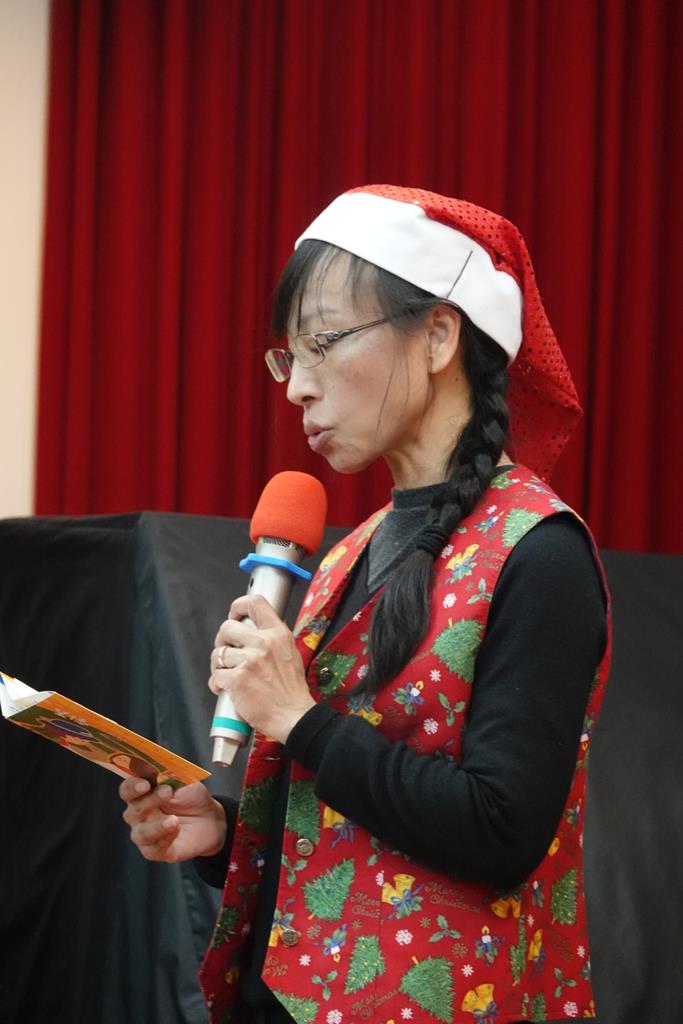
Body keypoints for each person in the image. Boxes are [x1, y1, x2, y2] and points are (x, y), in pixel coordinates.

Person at [120, 185, 609, 1024]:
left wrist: (297, 717)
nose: (296, 389)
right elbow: (356, 835)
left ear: (438, 336)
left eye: (322, 342)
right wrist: (223, 835)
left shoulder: (539, 552)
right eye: (288, 357)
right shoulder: (354, 547)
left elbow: (500, 831)